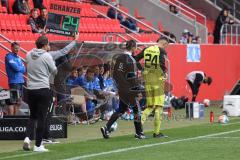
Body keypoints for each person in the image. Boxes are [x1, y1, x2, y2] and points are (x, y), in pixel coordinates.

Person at [22, 33, 79, 152]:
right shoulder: (48, 56)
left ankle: (27, 138)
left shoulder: (28, 54)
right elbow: (54, 70)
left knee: (32, 116)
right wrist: (75, 41)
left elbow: (27, 68)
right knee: (42, 117)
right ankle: (38, 145)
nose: (49, 46)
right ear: (44, 45)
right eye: (48, 44)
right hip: (43, 88)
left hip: (30, 89)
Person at [100, 40, 145, 139]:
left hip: (121, 89)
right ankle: (139, 133)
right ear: (133, 47)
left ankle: (106, 128)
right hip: (130, 89)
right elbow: (132, 78)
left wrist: (117, 89)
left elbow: (114, 75)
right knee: (137, 110)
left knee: (121, 109)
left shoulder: (119, 58)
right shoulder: (131, 60)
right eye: (136, 47)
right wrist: (137, 91)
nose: (136, 49)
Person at [134, 36, 169, 138]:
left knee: (149, 107)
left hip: (148, 81)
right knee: (158, 107)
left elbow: (135, 59)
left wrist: (142, 69)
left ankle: (139, 131)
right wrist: (164, 73)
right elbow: (162, 65)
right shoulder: (161, 51)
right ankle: (156, 132)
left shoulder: (146, 49)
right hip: (157, 81)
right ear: (164, 44)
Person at [5, 42, 26, 115]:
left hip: (21, 81)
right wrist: (20, 68)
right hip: (14, 82)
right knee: (12, 102)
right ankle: (11, 119)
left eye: (18, 48)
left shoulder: (18, 58)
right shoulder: (9, 56)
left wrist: (20, 68)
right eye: (15, 48)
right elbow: (16, 68)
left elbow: (24, 69)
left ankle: (15, 117)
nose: (17, 50)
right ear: (11, 48)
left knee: (19, 102)